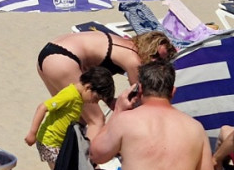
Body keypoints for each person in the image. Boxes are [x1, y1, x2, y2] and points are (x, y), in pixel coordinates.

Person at [88, 59, 218, 170]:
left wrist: (118, 110)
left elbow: (96, 155)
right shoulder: (196, 128)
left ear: (140, 89)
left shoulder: (126, 120)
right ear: (173, 91)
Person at [37, 28, 176, 140]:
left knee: (71, 115)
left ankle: (61, 160)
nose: (154, 61)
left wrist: (110, 100)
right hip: (64, 60)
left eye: (160, 60)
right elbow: (140, 97)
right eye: (154, 55)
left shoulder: (124, 43)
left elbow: (94, 75)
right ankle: (90, 164)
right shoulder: (133, 59)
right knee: (96, 120)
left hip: (49, 54)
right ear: (148, 46)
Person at [24, 66, 114, 168]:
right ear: (88, 87)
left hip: (60, 143)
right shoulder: (70, 95)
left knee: (67, 169)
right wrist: (32, 134)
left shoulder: (79, 97)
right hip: (50, 143)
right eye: (96, 98)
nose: (96, 102)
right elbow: (42, 107)